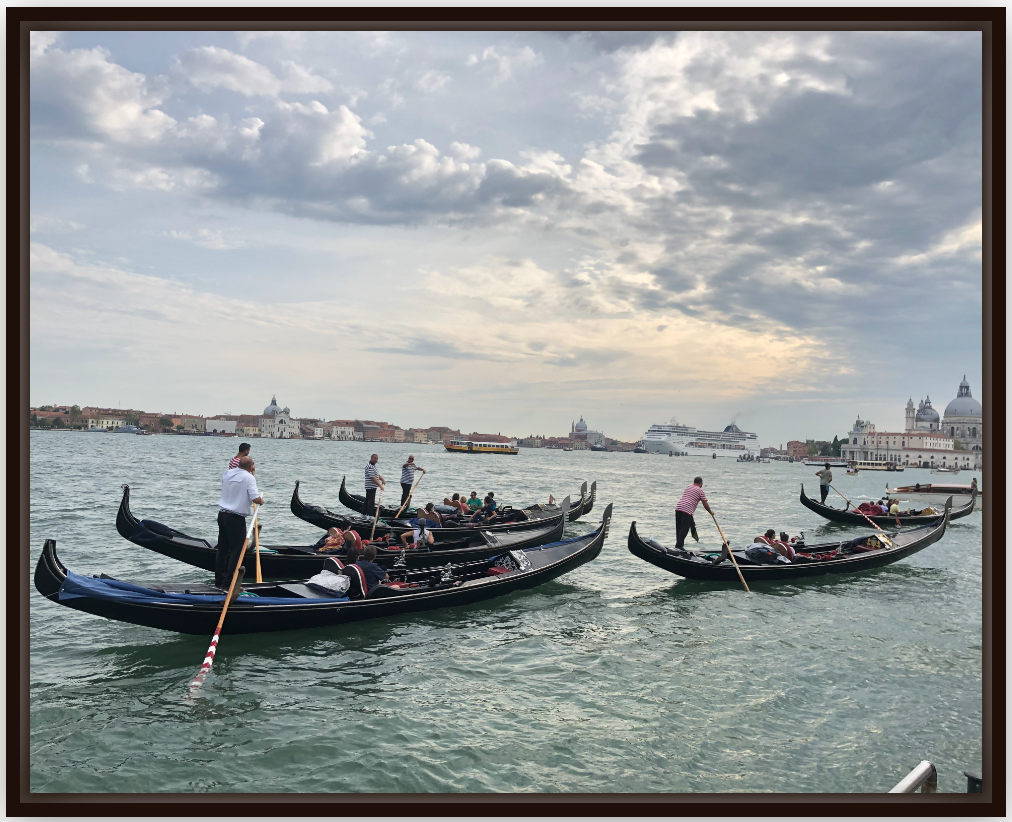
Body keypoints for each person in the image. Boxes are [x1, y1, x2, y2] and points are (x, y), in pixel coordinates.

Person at [216, 455, 264, 590]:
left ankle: (219, 581)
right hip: (236, 519)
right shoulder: (249, 477)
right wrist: (261, 501)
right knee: (237, 551)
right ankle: (228, 584)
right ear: (251, 466)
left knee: (223, 550)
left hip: (222, 515)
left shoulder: (227, 474)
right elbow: (255, 498)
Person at [675, 477, 712, 551]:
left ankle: (678, 545)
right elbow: (705, 504)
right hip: (687, 509)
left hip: (678, 507)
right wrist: (711, 512)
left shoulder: (688, 487)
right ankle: (679, 546)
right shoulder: (700, 491)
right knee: (684, 528)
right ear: (701, 484)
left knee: (679, 528)